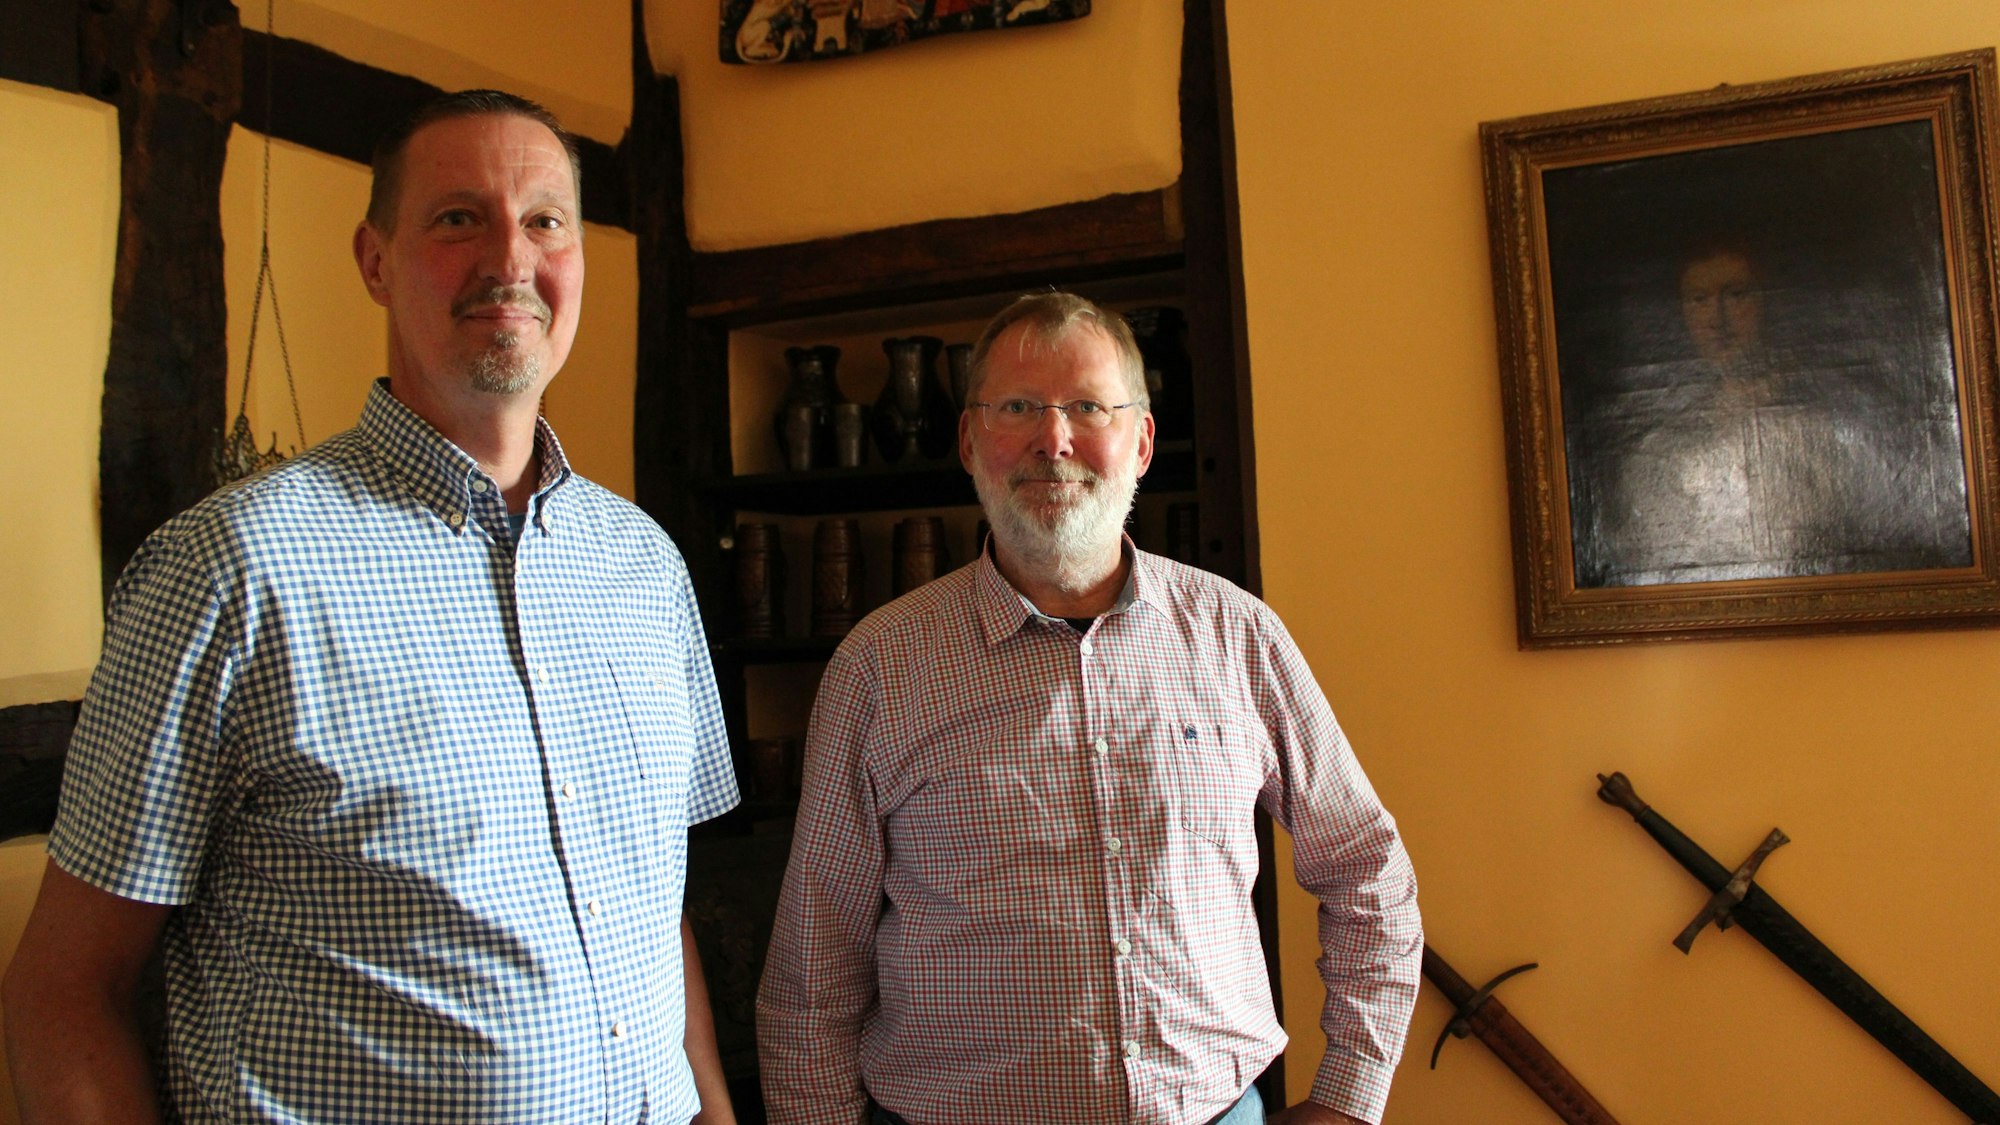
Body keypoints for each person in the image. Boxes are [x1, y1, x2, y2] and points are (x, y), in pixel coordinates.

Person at [2, 90, 739, 1124]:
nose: (510, 259)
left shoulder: (645, 567)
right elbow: (66, 989)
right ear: (374, 260)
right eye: (457, 218)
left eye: (544, 220)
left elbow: (649, 906)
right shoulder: (227, 569)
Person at [756, 292, 1422, 1125]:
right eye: (1016, 407)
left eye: (1087, 407)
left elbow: (1366, 867)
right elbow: (813, 967)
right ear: (968, 442)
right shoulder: (879, 666)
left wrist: (1351, 1096)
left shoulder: (1239, 635)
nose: (1053, 439)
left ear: (1140, 442)